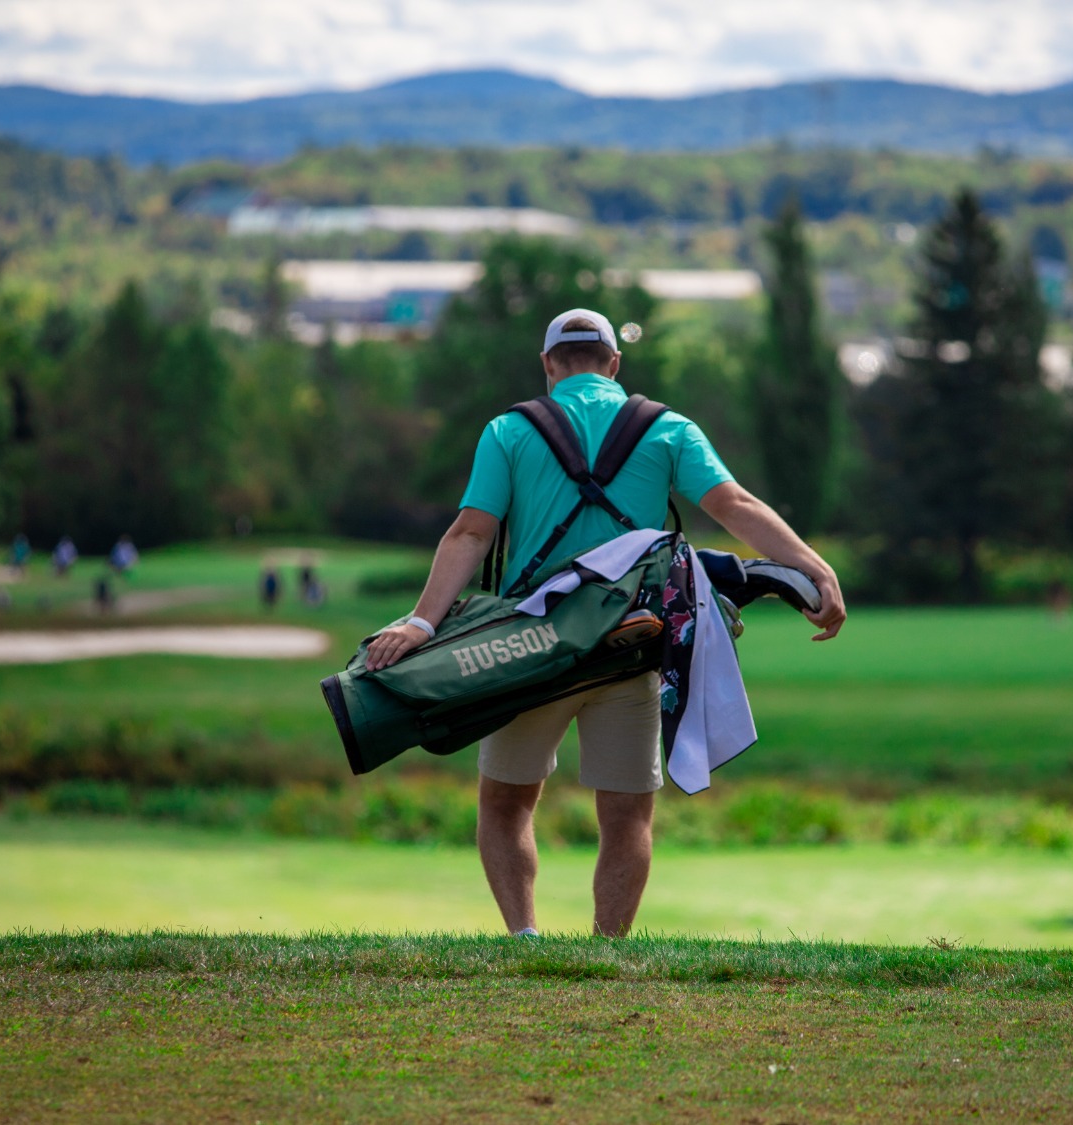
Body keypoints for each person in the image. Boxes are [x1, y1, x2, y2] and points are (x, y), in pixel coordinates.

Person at [362, 309, 846, 939]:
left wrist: (423, 626)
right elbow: (734, 505)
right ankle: (607, 948)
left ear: (548, 366)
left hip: (529, 649)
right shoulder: (668, 428)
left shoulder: (507, 431)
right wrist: (813, 567)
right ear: (614, 364)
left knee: (506, 802)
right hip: (630, 642)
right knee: (627, 815)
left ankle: (525, 941)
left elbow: (472, 533)